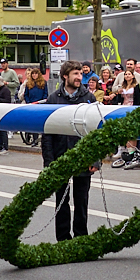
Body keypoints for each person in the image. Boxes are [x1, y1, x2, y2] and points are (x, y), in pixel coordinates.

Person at [42, 60, 96, 241]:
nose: (79, 77)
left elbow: (96, 132)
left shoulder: (89, 98)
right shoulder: (53, 99)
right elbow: (47, 133)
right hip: (60, 156)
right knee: (61, 202)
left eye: (81, 74)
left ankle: (81, 239)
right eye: (75, 74)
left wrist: (95, 159)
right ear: (65, 76)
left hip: (83, 157)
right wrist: (49, 162)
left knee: (81, 202)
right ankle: (63, 239)